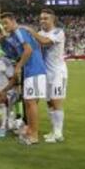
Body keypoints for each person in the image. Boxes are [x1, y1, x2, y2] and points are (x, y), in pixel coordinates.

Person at [0, 12, 47, 145]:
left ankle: (34, 135)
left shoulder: (20, 31)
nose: (4, 26)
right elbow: (17, 53)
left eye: (6, 23)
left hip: (35, 70)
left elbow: (28, 50)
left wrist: (18, 66)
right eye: (2, 24)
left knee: (31, 103)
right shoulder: (14, 35)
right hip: (30, 71)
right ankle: (30, 130)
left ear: (13, 21)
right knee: (28, 102)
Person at [22, 8, 67, 143]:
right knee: (49, 102)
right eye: (41, 18)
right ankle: (54, 131)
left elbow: (45, 42)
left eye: (46, 18)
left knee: (56, 101)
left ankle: (58, 133)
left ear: (53, 19)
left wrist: (31, 31)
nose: (43, 21)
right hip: (44, 72)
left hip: (58, 71)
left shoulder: (58, 32)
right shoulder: (40, 33)